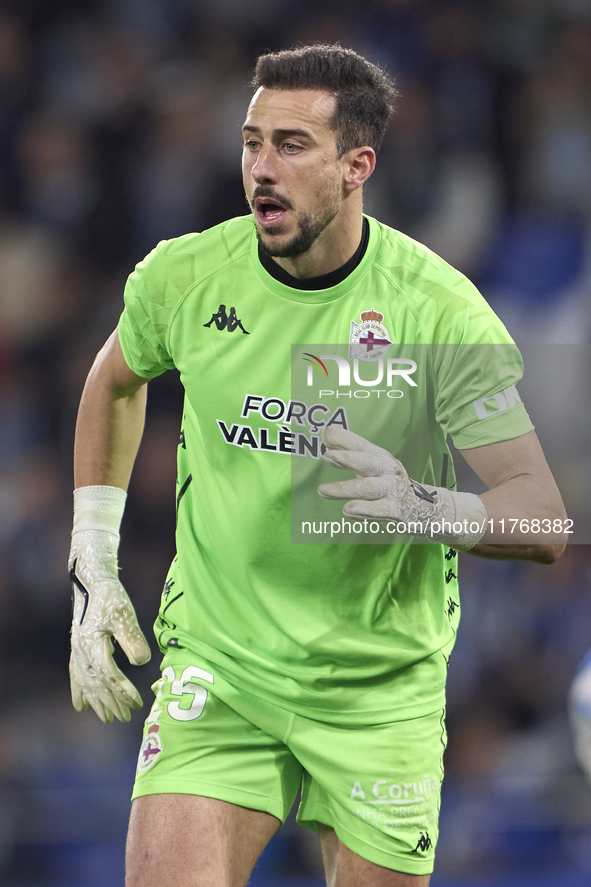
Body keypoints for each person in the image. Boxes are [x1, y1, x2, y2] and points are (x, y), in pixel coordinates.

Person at [69, 45, 568, 887]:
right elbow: (114, 379)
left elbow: (545, 517)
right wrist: (92, 552)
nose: (261, 169)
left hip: (378, 690)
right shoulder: (186, 277)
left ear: (355, 165)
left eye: (292, 146)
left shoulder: (434, 311)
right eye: (251, 142)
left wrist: (425, 508)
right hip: (221, 666)